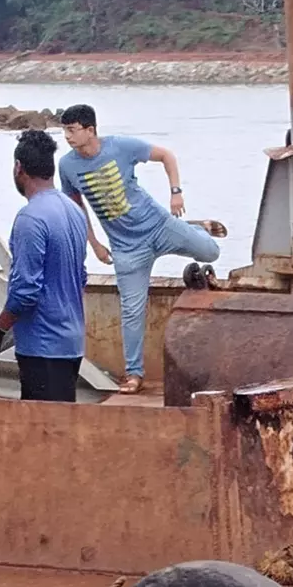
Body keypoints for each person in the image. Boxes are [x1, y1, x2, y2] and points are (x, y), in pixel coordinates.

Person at [58, 103, 220, 394]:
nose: (67, 137)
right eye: (65, 131)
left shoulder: (121, 146)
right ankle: (134, 374)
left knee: (210, 253)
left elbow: (165, 156)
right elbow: (75, 207)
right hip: (126, 248)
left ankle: (195, 229)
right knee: (131, 311)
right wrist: (94, 244)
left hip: (159, 225)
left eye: (72, 130)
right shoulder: (67, 166)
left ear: (90, 130)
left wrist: (176, 193)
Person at [0, 128, 88, 402]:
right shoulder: (74, 211)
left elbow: (26, 291)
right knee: (60, 428)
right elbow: (81, 276)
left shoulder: (30, 219)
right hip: (71, 343)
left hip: (42, 348)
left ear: (19, 168)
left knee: (44, 433)